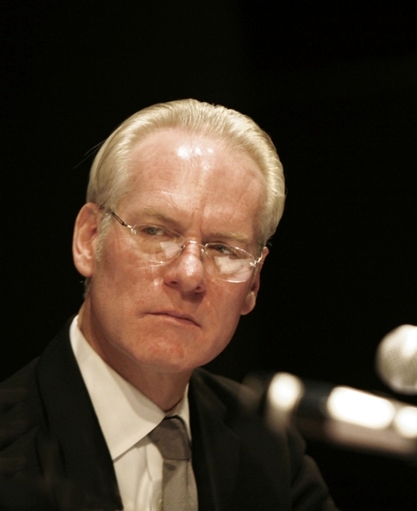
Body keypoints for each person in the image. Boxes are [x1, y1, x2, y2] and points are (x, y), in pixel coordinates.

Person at [0, 99, 338, 511]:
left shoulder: (269, 448)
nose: (190, 274)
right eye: (156, 231)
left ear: (253, 284)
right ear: (89, 239)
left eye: (223, 248)